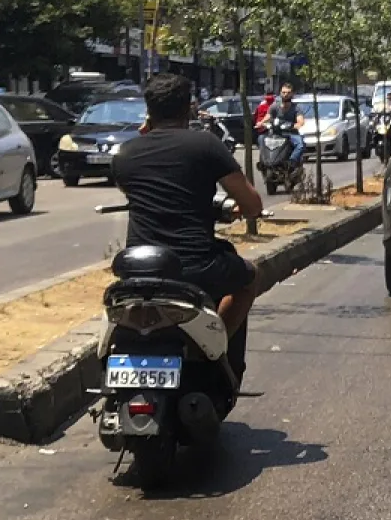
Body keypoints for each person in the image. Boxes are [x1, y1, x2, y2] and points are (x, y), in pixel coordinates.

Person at [112, 73, 265, 380]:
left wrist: (145, 134)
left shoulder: (125, 153)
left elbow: (148, 194)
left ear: (148, 111)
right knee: (249, 279)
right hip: (197, 267)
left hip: (137, 270)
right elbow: (252, 205)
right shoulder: (206, 145)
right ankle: (213, 349)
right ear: (189, 108)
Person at [270, 84, 306, 164]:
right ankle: (266, 162)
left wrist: (294, 125)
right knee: (262, 139)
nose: (285, 95)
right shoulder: (274, 106)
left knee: (300, 145)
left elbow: (300, 121)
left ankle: (291, 162)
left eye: (288, 93)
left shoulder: (296, 108)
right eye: (283, 92)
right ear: (280, 93)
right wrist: (261, 122)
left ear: (292, 94)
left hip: (291, 134)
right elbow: (268, 117)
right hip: (276, 134)